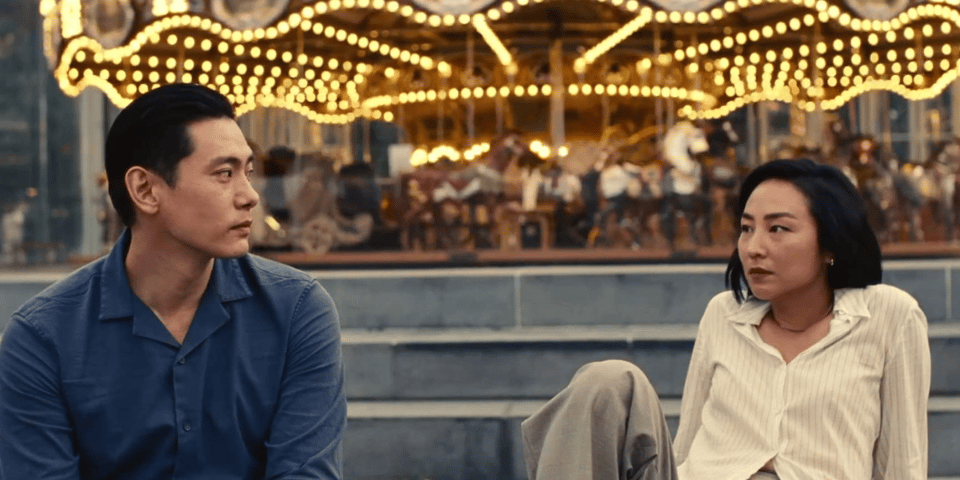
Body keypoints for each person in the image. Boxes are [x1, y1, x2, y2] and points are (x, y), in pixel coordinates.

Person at [0, 84, 347, 479]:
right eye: (224, 174)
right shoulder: (42, 338)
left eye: (248, 173)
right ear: (145, 190)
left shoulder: (297, 311)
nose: (250, 195)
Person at [522, 158, 931, 480]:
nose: (754, 247)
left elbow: (902, 464)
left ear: (831, 243)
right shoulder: (723, 314)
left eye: (778, 230)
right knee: (606, 381)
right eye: (747, 229)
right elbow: (685, 447)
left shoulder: (888, 316)